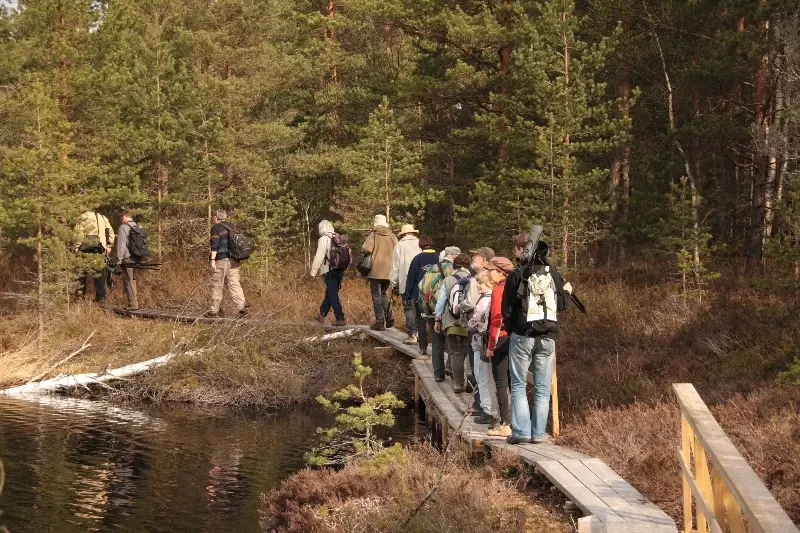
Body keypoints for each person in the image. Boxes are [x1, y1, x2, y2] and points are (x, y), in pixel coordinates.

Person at [502, 241, 572, 444]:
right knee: (542, 387)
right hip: (549, 336)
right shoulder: (554, 274)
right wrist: (566, 291)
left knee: (518, 384)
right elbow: (561, 305)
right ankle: (538, 434)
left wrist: (512, 329)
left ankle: (521, 432)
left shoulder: (518, 274)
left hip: (522, 335)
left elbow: (506, 308)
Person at [459, 246, 495, 414]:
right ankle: (482, 405)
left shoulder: (481, 280)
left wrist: (461, 306)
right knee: (481, 372)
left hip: (481, 335)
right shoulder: (488, 279)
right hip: (485, 336)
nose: (473, 259)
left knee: (480, 371)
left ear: (485, 260)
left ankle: (482, 406)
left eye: (477, 257)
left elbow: (473, 304)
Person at [484, 256, 515, 437]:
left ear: (500, 272)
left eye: (491, 270)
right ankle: (518, 422)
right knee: (515, 383)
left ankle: (504, 424)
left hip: (500, 339)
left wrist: (490, 346)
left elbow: (496, 319)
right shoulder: (514, 287)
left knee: (501, 383)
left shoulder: (498, 290)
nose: (489, 273)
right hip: (515, 338)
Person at [434, 253, 472, 392]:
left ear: (454, 265)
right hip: (469, 323)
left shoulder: (448, 280)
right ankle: (471, 378)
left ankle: (458, 384)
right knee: (469, 352)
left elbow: (441, 302)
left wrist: (437, 320)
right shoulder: (474, 280)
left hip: (451, 323)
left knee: (456, 353)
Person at [424, 246, 459, 380]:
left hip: (431, 310)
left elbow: (423, 286)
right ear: (454, 256)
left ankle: (438, 374)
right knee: (452, 342)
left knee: (437, 344)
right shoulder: (452, 269)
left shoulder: (432, 268)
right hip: (446, 311)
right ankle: (450, 369)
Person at [467, 270, 496, 425]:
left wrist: (475, 323)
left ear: (489, 283)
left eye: (480, 283)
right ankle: (487, 408)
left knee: (483, 377)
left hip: (482, 343)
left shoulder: (487, 300)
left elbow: (476, 322)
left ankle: (488, 410)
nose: (477, 286)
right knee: (481, 376)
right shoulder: (487, 298)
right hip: (480, 343)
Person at [206, 209, 247, 318]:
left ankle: (213, 311)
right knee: (234, 284)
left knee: (217, 284)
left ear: (216, 217)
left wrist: (212, 260)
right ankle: (241, 308)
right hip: (234, 260)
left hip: (221, 260)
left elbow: (214, 245)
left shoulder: (216, 228)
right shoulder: (232, 227)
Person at [403, 235, 438, 355]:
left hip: (419, 295)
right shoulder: (439, 258)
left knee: (421, 321)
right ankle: (437, 347)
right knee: (434, 322)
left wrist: (407, 296)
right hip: (435, 296)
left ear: (421, 245)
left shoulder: (417, 259)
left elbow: (411, 278)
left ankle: (423, 347)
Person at [362, 214, 398, 331]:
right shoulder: (392, 236)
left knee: (376, 296)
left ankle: (379, 322)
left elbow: (366, 249)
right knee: (383, 294)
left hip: (375, 271)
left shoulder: (373, 235)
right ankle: (389, 317)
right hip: (389, 271)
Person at [310, 220, 347, 326]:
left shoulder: (324, 239)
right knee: (330, 293)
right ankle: (322, 315)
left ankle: (340, 318)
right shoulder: (338, 238)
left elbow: (319, 256)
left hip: (329, 270)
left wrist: (313, 271)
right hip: (340, 269)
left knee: (332, 294)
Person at [390, 224, 422, 343]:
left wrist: (394, 284)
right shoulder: (420, 244)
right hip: (420, 282)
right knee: (420, 309)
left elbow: (395, 267)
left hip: (404, 281)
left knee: (409, 308)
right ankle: (421, 334)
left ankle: (412, 334)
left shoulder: (399, 245)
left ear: (403, 234)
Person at [74, 210, 115, 303]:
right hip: (100, 251)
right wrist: (109, 246)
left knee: (81, 275)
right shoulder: (103, 217)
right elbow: (111, 233)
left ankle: (80, 297)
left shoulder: (82, 217)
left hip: (84, 251)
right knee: (99, 276)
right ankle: (101, 299)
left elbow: (78, 234)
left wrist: (77, 247)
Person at [115, 210, 140, 310]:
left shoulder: (123, 227)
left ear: (124, 216)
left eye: (121, 218)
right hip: (137, 256)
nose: (121, 220)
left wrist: (119, 259)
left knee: (129, 280)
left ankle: (133, 304)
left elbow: (121, 245)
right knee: (133, 279)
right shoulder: (138, 226)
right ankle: (133, 303)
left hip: (128, 257)